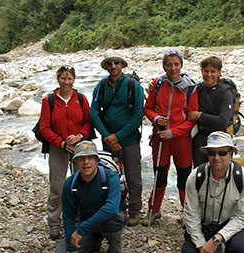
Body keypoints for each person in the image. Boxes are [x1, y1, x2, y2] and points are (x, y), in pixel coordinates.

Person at [178, 131, 244, 253]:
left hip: (228, 226)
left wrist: (216, 240)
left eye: (222, 152)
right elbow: (190, 213)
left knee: (241, 247)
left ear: (231, 154)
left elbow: (241, 217)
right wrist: (201, 246)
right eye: (212, 153)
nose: (216, 157)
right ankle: (207, 251)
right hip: (202, 226)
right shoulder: (195, 177)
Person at [53, 141, 127, 253]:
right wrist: (71, 249)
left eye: (90, 158)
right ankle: (94, 240)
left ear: (97, 160)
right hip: (84, 222)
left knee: (114, 219)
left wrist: (81, 230)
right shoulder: (70, 184)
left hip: (104, 222)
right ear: (75, 162)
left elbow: (111, 208)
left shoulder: (110, 178)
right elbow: (68, 216)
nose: (86, 162)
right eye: (81, 159)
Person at [143, 49, 198, 226]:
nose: (173, 68)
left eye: (176, 64)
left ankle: (187, 214)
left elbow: (191, 118)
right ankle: (154, 210)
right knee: (159, 175)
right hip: (160, 139)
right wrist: (156, 119)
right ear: (164, 65)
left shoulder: (190, 88)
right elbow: (148, 108)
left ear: (181, 65)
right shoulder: (158, 84)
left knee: (184, 177)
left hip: (181, 140)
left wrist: (173, 132)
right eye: (169, 64)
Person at [90, 50, 144, 227]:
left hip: (129, 140)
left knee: (133, 175)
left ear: (122, 65)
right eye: (109, 63)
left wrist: (117, 137)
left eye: (116, 63)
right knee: (110, 175)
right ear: (106, 67)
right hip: (108, 142)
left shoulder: (132, 86)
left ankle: (134, 210)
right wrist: (107, 137)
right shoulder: (101, 86)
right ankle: (114, 207)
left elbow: (137, 116)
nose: (113, 66)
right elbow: (94, 113)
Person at [39, 66, 91, 240]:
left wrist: (79, 136)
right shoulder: (49, 100)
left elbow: (87, 123)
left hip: (78, 147)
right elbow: (44, 127)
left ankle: (80, 219)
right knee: (57, 186)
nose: (66, 82)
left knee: (82, 183)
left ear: (74, 80)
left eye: (69, 79)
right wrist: (60, 142)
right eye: (63, 78)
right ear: (58, 79)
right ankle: (54, 222)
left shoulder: (82, 99)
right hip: (58, 147)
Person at [188, 56, 235, 168]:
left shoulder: (225, 93)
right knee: (200, 172)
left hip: (219, 139)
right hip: (200, 138)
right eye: (206, 71)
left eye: (212, 71)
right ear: (202, 71)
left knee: (218, 172)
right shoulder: (198, 89)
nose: (209, 75)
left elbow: (222, 121)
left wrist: (199, 115)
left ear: (219, 72)